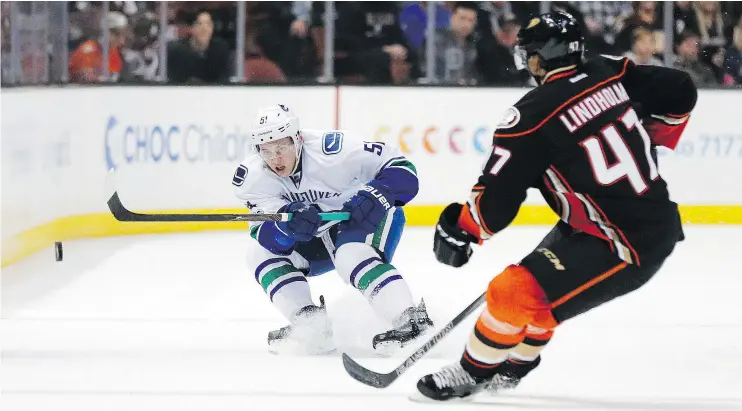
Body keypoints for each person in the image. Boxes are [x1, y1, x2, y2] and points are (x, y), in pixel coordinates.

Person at [416, 11, 697, 401]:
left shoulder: (530, 117)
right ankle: (517, 365)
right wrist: (653, 137)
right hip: (620, 221)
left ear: (539, 58)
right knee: (538, 292)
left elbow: (496, 203)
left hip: (625, 242)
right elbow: (681, 87)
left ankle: (471, 373)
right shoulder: (607, 70)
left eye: (529, 54)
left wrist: (461, 229)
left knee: (511, 292)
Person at [233, 104, 433, 355]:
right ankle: (312, 324)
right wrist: (289, 229)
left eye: (282, 147)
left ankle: (411, 321)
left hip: (368, 219)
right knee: (258, 253)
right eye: (267, 150)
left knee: (349, 256)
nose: (275, 159)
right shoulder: (253, 176)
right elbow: (267, 236)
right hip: (320, 236)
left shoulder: (336, 150)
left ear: (298, 139)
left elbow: (404, 171)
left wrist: (376, 195)